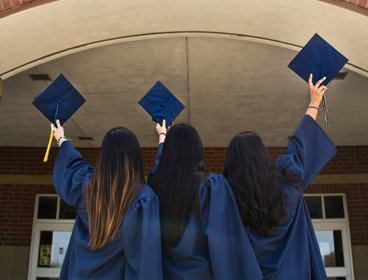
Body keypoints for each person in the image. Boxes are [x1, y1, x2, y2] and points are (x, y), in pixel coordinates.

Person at [223, 74, 336, 279]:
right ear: (262, 156)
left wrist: (164, 138)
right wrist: (314, 102)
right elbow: (300, 145)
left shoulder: (226, 200)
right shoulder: (287, 183)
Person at [148, 120, 262, 279]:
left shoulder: (155, 187)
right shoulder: (211, 186)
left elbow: (159, 168)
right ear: (197, 150)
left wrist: (162, 138)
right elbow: (224, 248)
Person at [52, 121, 163, 279]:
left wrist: (61, 138)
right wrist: (162, 137)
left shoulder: (86, 186)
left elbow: (73, 164)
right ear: (135, 156)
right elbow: (145, 261)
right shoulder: (142, 198)